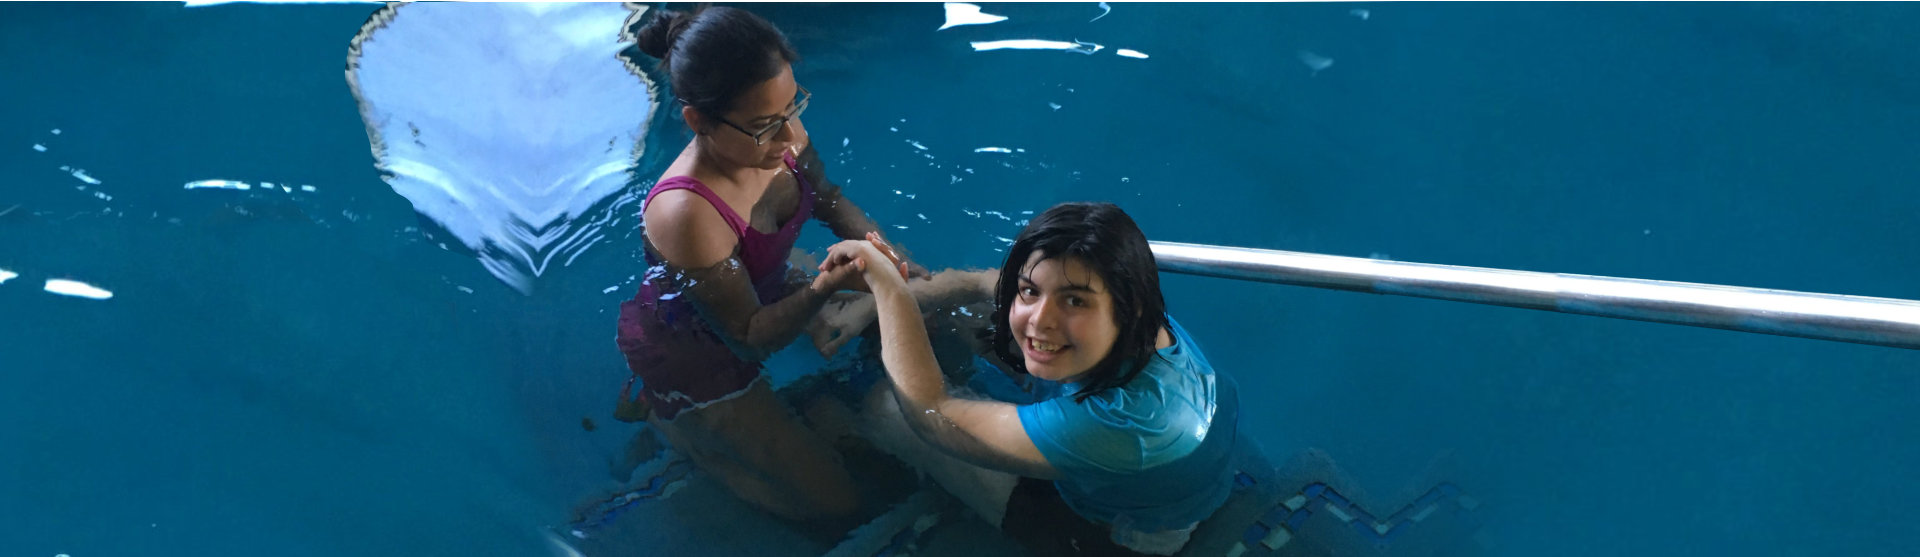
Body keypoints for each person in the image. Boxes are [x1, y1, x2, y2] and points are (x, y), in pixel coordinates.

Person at [612, 6, 994, 523]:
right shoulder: (687, 212)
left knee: (950, 326)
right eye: (766, 125)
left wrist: (897, 263)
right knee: (837, 506)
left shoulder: (776, 130)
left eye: (793, 107)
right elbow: (749, 336)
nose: (790, 137)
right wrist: (822, 291)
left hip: (769, 282)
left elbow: (831, 201)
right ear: (696, 120)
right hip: (694, 347)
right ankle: (677, 427)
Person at [820, 202, 1241, 555]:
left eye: (1074, 300)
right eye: (1030, 291)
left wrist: (886, 288)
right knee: (969, 318)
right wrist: (870, 306)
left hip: (1115, 535)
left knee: (885, 409)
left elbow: (932, 414)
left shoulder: (1121, 424)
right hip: (1167, 478)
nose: (1040, 321)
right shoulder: (1135, 310)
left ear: (1127, 307)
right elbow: (981, 283)